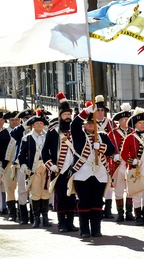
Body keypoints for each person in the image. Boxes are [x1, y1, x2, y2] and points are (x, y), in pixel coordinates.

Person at [69, 101, 116, 239]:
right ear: (85, 125)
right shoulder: (79, 135)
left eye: (93, 124)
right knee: (84, 201)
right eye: (88, 124)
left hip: (100, 173)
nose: (91, 126)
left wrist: (100, 147)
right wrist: (85, 111)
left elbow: (111, 150)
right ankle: (84, 230)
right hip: (82, 173)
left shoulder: (102, 136)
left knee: (97, 201)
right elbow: (74, 124)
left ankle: (96, 229)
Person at [42, 93, 79, 233]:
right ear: (60, 116)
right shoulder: (53, 132)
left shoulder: (76, 131)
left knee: (72, 196)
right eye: (65, 114)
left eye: (69, 114)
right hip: (59, 170)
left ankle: (70, 222)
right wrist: (50, 164)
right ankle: (62, 223)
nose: (68, 117)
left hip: (73, 169)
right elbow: (44, 152)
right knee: (61, 197)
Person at [120, 108, 144, 227]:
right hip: (135, 169)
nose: (142, 125)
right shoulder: (130, 138)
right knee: (137, 194)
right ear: (135, 125)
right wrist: (131, 160)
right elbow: (123, 154)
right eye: (140, 123)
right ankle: (138, 217)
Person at [18, 112, 51, 228]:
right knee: (35, 193)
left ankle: (45, 218)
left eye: (41, 123)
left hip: (46, 167)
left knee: (46, 192)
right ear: (32, 125)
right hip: (33, 168)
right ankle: (36, 218)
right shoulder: (26, 138)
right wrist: (23, 166)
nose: (39, 125)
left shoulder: (48, 136)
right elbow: (21, 155)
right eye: (36, 123)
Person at [108, 104, 132, 223]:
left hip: (130, 164)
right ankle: (120, 212)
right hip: (118, 164)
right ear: (119, 121)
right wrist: (114, 155)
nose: (125, 121)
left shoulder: (133, 132)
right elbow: (108, 149)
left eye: (127, 119)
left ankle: (129, 212)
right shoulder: (112, 133)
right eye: (123, 120)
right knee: (118, 189)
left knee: (130, 188)